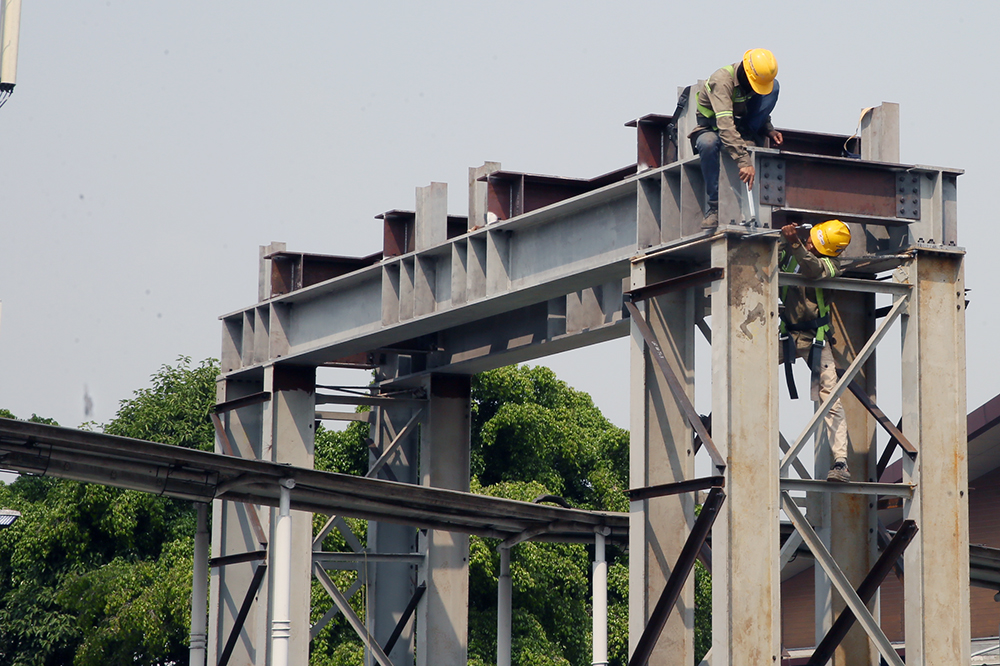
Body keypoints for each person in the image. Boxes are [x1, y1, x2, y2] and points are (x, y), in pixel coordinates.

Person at [779, 219, 852, 482]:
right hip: (787, 333)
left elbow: (812, 269)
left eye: (814, 243)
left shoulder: (832, 266)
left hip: (814, 338)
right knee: (748, 367)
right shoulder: (792, 251)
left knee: (831, 398)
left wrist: (795, 243)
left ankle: (840, 463)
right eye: (809, 238)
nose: (809, 242)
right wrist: (782, 236)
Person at [690, 49, 782, 229]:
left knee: (774, 86)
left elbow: (755, 103)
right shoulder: (722, 81)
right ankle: (714, 207)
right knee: (708, 144)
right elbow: (724, 124)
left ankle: (747, 135)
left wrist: (767, 128)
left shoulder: (755, 81)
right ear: (747, 73)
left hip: (738, 125)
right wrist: (743, 160)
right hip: (712, 126)